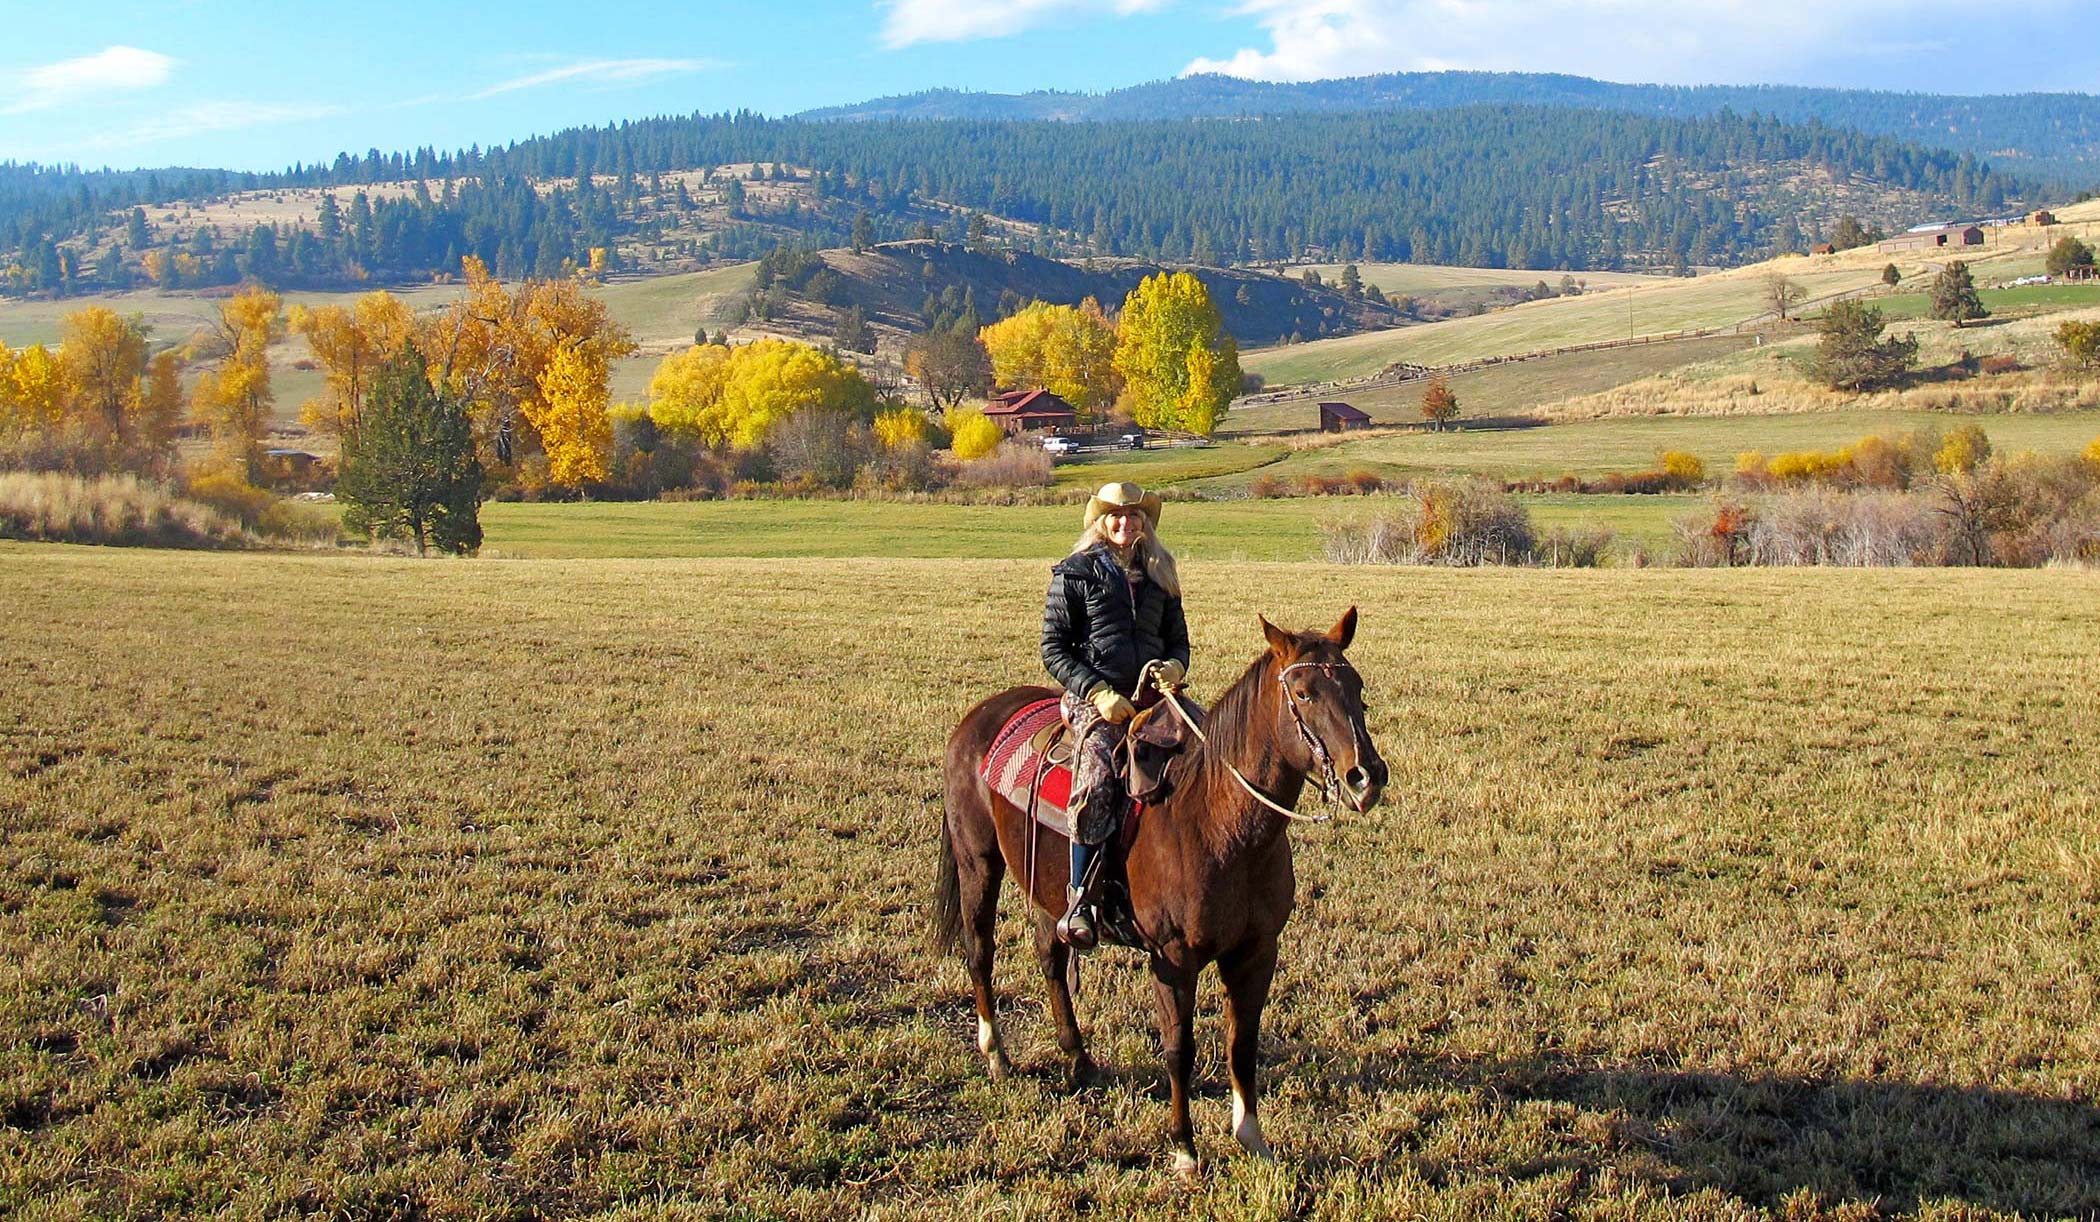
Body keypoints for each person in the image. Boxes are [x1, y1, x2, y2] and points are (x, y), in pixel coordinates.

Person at [1040, 481, 1191, 949]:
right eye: (1116, 516)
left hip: (1152, 697)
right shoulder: (1075, 572)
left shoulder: (1161, 572)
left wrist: (1174, 666)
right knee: (1096, 778)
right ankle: (1081, 896)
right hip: (1096, 700)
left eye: (1134, 515)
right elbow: (1054, 648)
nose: (1126, 523)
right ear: (1101, 522)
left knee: (1207, 751)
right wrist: (1099, 692)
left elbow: (1179, 641)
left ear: (1146, 522)